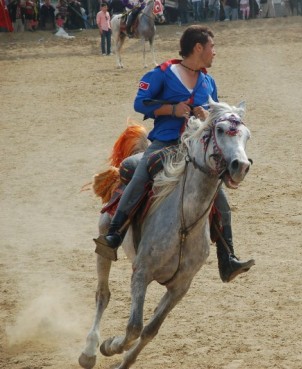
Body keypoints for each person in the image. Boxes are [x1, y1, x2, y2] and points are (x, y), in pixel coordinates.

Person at [94, 25, 254, 283]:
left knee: (220, 199)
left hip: (195, 151)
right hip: (165, 145)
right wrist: (171, 109)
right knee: (143, 173)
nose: (215, 52)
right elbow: (140, 102)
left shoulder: (208, 81)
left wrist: (206, 115)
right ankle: (113, 233)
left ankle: (227, 259)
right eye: (212, 47)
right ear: (198, 48)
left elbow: (216, 119)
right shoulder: (162, 74)